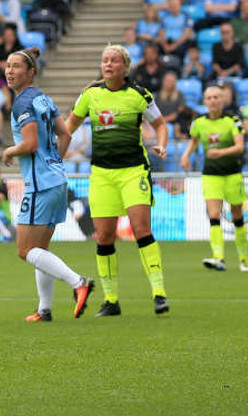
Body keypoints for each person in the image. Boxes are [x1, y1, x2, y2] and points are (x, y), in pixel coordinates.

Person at [65, 45, 169, 317]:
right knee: (104, 236)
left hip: (133, 171)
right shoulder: (90, 95)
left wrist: (161, 144)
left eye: (114, 60)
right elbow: (69, 127)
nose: (108, 64)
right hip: (101, 175)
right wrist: (54, 153)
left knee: (141, 229)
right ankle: (111, 301)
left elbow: (160, 123)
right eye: (105, 60)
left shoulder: (139, 94)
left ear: (125, 66)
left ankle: (159, 293)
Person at [2, 47, 95, 321]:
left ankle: (79, 283)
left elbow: (29, 145)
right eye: (8, 65)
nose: (9, 70)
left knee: (25, 250)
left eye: (16, 66)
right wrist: (55, 161)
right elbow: (64, 132)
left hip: (40, 185)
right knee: (41, 250)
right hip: (56, 180)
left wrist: (9, 151)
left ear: (31, 72)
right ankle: (44, 310)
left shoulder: (21, 103)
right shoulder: (43, 98)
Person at [182, 85, 248, 272]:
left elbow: (239, 147)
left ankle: (243, 258)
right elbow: (194, 140)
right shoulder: (199, 123)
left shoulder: (232, 121)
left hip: (232, 174)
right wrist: (186, 154)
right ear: (204, 102)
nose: (212, 101)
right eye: (209, 98)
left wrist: (219, 153)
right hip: (211, 175)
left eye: (216, 97)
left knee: (237, 216)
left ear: (222, 100)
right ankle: (218, 257)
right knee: (213, 216)